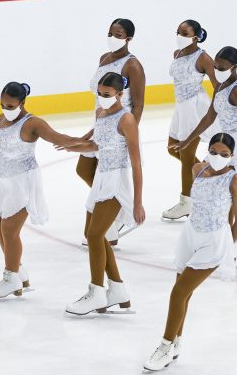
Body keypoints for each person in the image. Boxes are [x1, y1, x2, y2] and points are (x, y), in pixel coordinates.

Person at [0, 82, 87, 300]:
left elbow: (59, 138)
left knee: (9, 230)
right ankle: (17, 269)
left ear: (22, 102)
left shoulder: (32, 123)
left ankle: (11, 278)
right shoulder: (0, 120)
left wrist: (87, 143)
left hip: (23, 181)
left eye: (10, 106)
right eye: (2, 105)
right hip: (5, 181)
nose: (5, 110)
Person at [143, 133, 237, 372]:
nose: (217, 157)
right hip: (190, 235)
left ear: (232, 156)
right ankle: (176, 342)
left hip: (214, 241)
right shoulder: (197, 169)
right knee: (183, 293)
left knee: (178, 292)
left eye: (224, 154)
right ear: (207, 150)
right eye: (213, 152)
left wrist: (228, 247)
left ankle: (165, 345)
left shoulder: (235, 180)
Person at [57, 72, 146, 317]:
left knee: (96, 236)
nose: (101, 98)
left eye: (106, 95)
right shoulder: (100, 113)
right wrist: (72, 145)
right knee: (92, 235)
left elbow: (136, 163)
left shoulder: (127, 119)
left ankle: (96, 292)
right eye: (99, 93)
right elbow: (97, 145)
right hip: (101, 179)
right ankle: (117, 289)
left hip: (117, 181)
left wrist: (137, 202)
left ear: (120, 94)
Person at [170, 46, 237, 240]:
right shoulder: (220, 85)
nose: (216, 71)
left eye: (221, 68)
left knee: (226, 189)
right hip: (222, 140)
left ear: (234, 67)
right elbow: (209, 117)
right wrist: (187, 140)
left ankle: (228, 242)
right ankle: (231, 231)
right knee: (218, 186)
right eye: (215, 66)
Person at [77, 18, 145, 246]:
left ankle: (112, 216)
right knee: (85, 169)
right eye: (110, 33)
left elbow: (138, 104)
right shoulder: (103, 58)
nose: (112, 38)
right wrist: (95, 127)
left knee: (106, 174)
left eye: (118, 34)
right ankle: (112, 214)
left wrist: (126, 133)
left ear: (129, 38)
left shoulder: (133, 65)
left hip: (119, 127)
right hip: (101, 121)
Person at [162, 19, 221, 222]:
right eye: (178, 32)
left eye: (185, 33)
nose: (180, 36)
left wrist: (216, 109)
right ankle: (213, 181)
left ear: (196, 36)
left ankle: (186, 203)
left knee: (186, 156)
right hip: (181, 107)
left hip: (195, 106)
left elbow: (218, 86)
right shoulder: (177, 54)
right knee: (172, 148)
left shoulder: (203, 58)